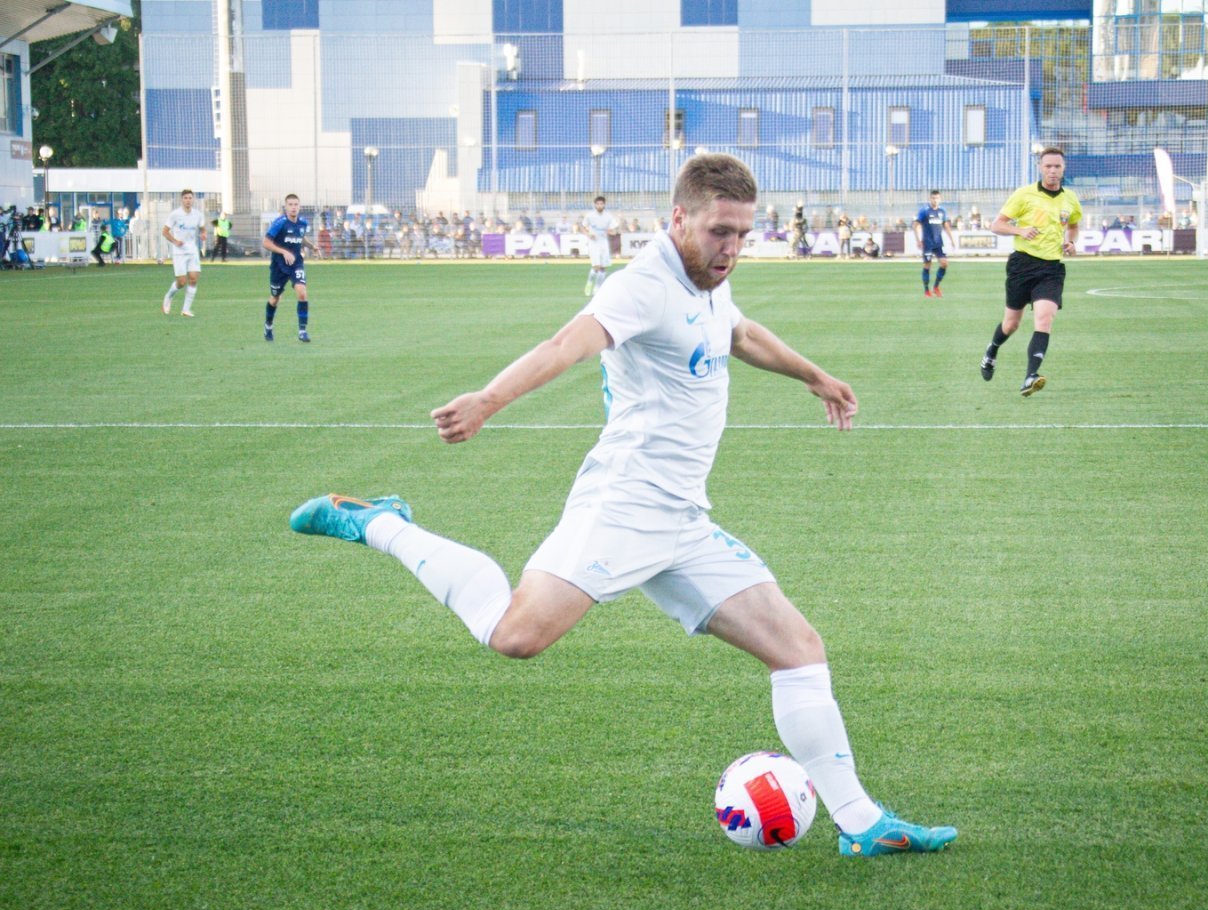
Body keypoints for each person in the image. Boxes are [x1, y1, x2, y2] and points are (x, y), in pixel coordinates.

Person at [288, 153, 957, 858]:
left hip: (683, 521)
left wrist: (814, 375)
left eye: (742, 233)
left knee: (798, 650)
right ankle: (381, 523)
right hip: (624, 504)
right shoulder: (642, 285)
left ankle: (861, 823)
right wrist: (487, 400)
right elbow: (566, 345)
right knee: (515, 635)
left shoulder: (710, 278)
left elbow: (738, 332)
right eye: (719, 232)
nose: (732, 248)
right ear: (680, 218)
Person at [981, 146, 1081, 397]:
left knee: (1045, 318)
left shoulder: (1070, 198)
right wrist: (1020, 230)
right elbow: (997, 225)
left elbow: (1073, 225)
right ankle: (992, 350)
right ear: (1040, 168)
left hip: (1052, 268)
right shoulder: (1024, 194)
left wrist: (1071, 241)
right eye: (1048, 166)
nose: (1052, 171)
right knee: (1011, 324)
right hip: (1022, 265)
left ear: (1064, 168)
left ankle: (1030, 376)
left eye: (1057, 166)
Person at [262, 193, 313, 342]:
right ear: (286, 207)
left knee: (302, 292)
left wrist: (312, 246)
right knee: (275, 298)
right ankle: (268, 325)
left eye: (296, 204)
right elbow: (266, 242)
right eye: (290, 204)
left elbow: (300, 237)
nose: (293, 207)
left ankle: (302, 331)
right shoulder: (280, 223)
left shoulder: (303, 223)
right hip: (279, 265)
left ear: (300, 206)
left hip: (296, 264)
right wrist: (283, 251)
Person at [161, 189, 206, 317]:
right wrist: (175, 241)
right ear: (182, 200)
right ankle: (168, 297)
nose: (188, 200)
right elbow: (165, 231)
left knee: (193, 279)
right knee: (181, 282)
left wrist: (203, 234)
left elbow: (202, 228)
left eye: (190, 198)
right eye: (185, 198)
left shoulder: (198, 215)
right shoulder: (175, 214)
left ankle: (186, 310)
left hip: (192, 251)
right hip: (179, 252)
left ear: (193, 199)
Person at [916, 190, 955, 297]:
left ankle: (936, 287)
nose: (935, 200)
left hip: (938, 243)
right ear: (930, 199)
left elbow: (946, 225)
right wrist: (918, 240)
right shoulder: (924, 211)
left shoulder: (942, 211)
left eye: (937, 198)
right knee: (927, 265)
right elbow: (915, 225)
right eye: (933, 198)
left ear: (940, 199)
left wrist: (952, 239)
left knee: (944, 263)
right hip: (927, 243)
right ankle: (926, 290)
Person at [583, 195, 619, 297]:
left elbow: (614, 230)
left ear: (604, 205)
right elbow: (584, 226)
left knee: (603, 267)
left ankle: (597, 288)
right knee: (596, 266)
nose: (599, 205)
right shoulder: (590, 216)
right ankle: (589, 283)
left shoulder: (608, 217)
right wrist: (588, 234)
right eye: (598, 204)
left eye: (601, 204)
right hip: (593, 243)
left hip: (603, 243)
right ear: (595, 205)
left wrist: (611, 232)